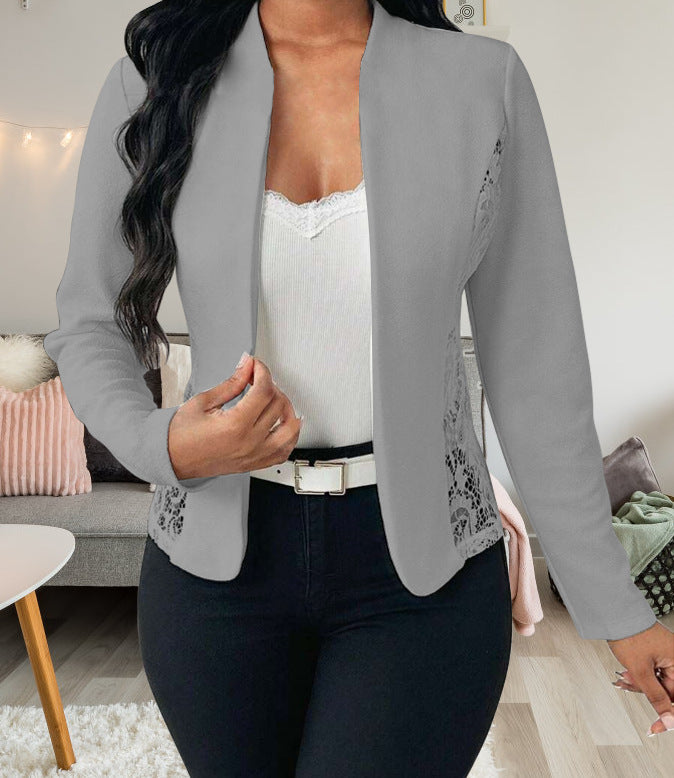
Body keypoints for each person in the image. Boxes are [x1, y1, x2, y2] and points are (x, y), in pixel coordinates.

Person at [44, 0, 674, 775]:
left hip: (425, 582)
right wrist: (162, 445)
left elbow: (536, 368)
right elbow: (90, 320)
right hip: (211, 581)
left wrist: (613, 603)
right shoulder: (154, 81)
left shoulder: (482, 82)